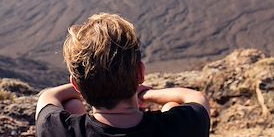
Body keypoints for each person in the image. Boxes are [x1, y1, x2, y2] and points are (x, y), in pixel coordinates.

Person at [36, 13, 210, 136]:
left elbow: (49, 95)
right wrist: (146, 93)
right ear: (141, 73)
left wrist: (89, 83)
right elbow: (194, 97)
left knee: (71, 105)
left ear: (76, 84)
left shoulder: (57, 129)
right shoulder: (184, 126)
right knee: (172, 106)